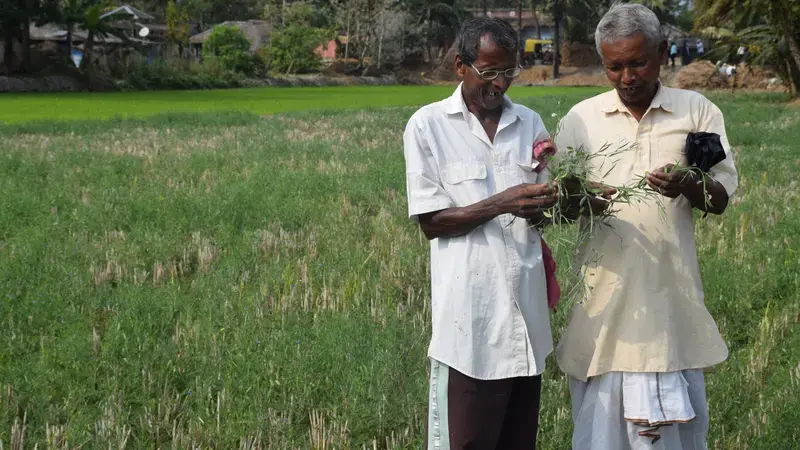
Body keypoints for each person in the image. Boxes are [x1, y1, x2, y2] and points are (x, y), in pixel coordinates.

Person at [552, 3, 739, 449]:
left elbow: (720, 198)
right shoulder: (580, 120)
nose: (628, 77)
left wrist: (688, 183)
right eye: (614, 67)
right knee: (601, 433)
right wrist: (581, 197)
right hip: (602, 307)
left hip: (670, 307)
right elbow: (557, 203)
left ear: (661, 52)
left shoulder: (695, 113)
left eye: (638, 62)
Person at [402, 16, 559, 450]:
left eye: (508, 72)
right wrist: (503, 202)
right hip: (468, 326)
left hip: (526, 322)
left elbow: (542, 211)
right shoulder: (427, 126)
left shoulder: (529, 123)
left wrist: (551, 204)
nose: (500, 84)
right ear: (460, 66)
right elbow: (432, 223)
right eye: (489, 72)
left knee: (518, 441)